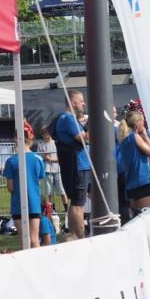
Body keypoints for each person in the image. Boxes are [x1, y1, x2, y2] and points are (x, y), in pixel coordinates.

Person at [53, 90, 91, 239]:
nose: (84, 103)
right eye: (81, 100)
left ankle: (74, 234)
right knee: (77, 203)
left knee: (79, 201)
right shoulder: (68, 119)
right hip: (78, 167)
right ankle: (80, 237)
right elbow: (85, 139)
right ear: (73, 102)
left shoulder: (70, 119)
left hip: (83, 165)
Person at [2, 124, 47, 249]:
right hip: (34, 203)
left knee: (25, 240)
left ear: (15, 139)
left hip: (18, 204)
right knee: (34, 239)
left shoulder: (11, 161)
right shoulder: (38, 159)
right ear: (30, 138)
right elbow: (40, 181)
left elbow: (10, 187)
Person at [118, 111, 150, 213]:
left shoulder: (124, 140)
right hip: (142, 183)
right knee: (149, 217)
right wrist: (145, 136)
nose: (144, 124)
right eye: (143, 122)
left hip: (131, 185)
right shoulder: (134, 137)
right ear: (138, 124)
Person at [36, 128, 68, 215]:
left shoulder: (55, 143)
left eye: (49, 133)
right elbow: (38, 157)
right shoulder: (40, 145)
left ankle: (66, 209)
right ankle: (53, 209)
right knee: (49, 191)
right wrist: (44, 158)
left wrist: (51, 159)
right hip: (46, 170)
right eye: (45, 133)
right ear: (42, 135)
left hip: (57, 169)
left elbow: (61, 158)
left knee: (61, 190)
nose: (48, 135)